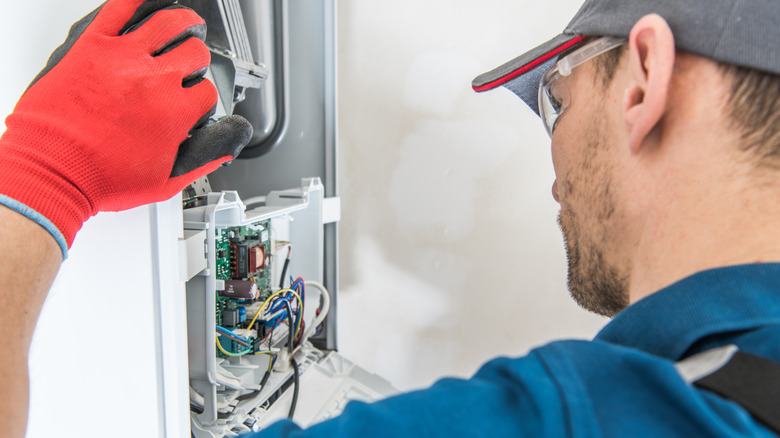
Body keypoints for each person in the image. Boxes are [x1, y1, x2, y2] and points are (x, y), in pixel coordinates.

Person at [2, 0, 780, 436]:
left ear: (643, 81)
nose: (555, 164)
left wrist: (43, 175)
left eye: (558, 100)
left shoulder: (587, 420)